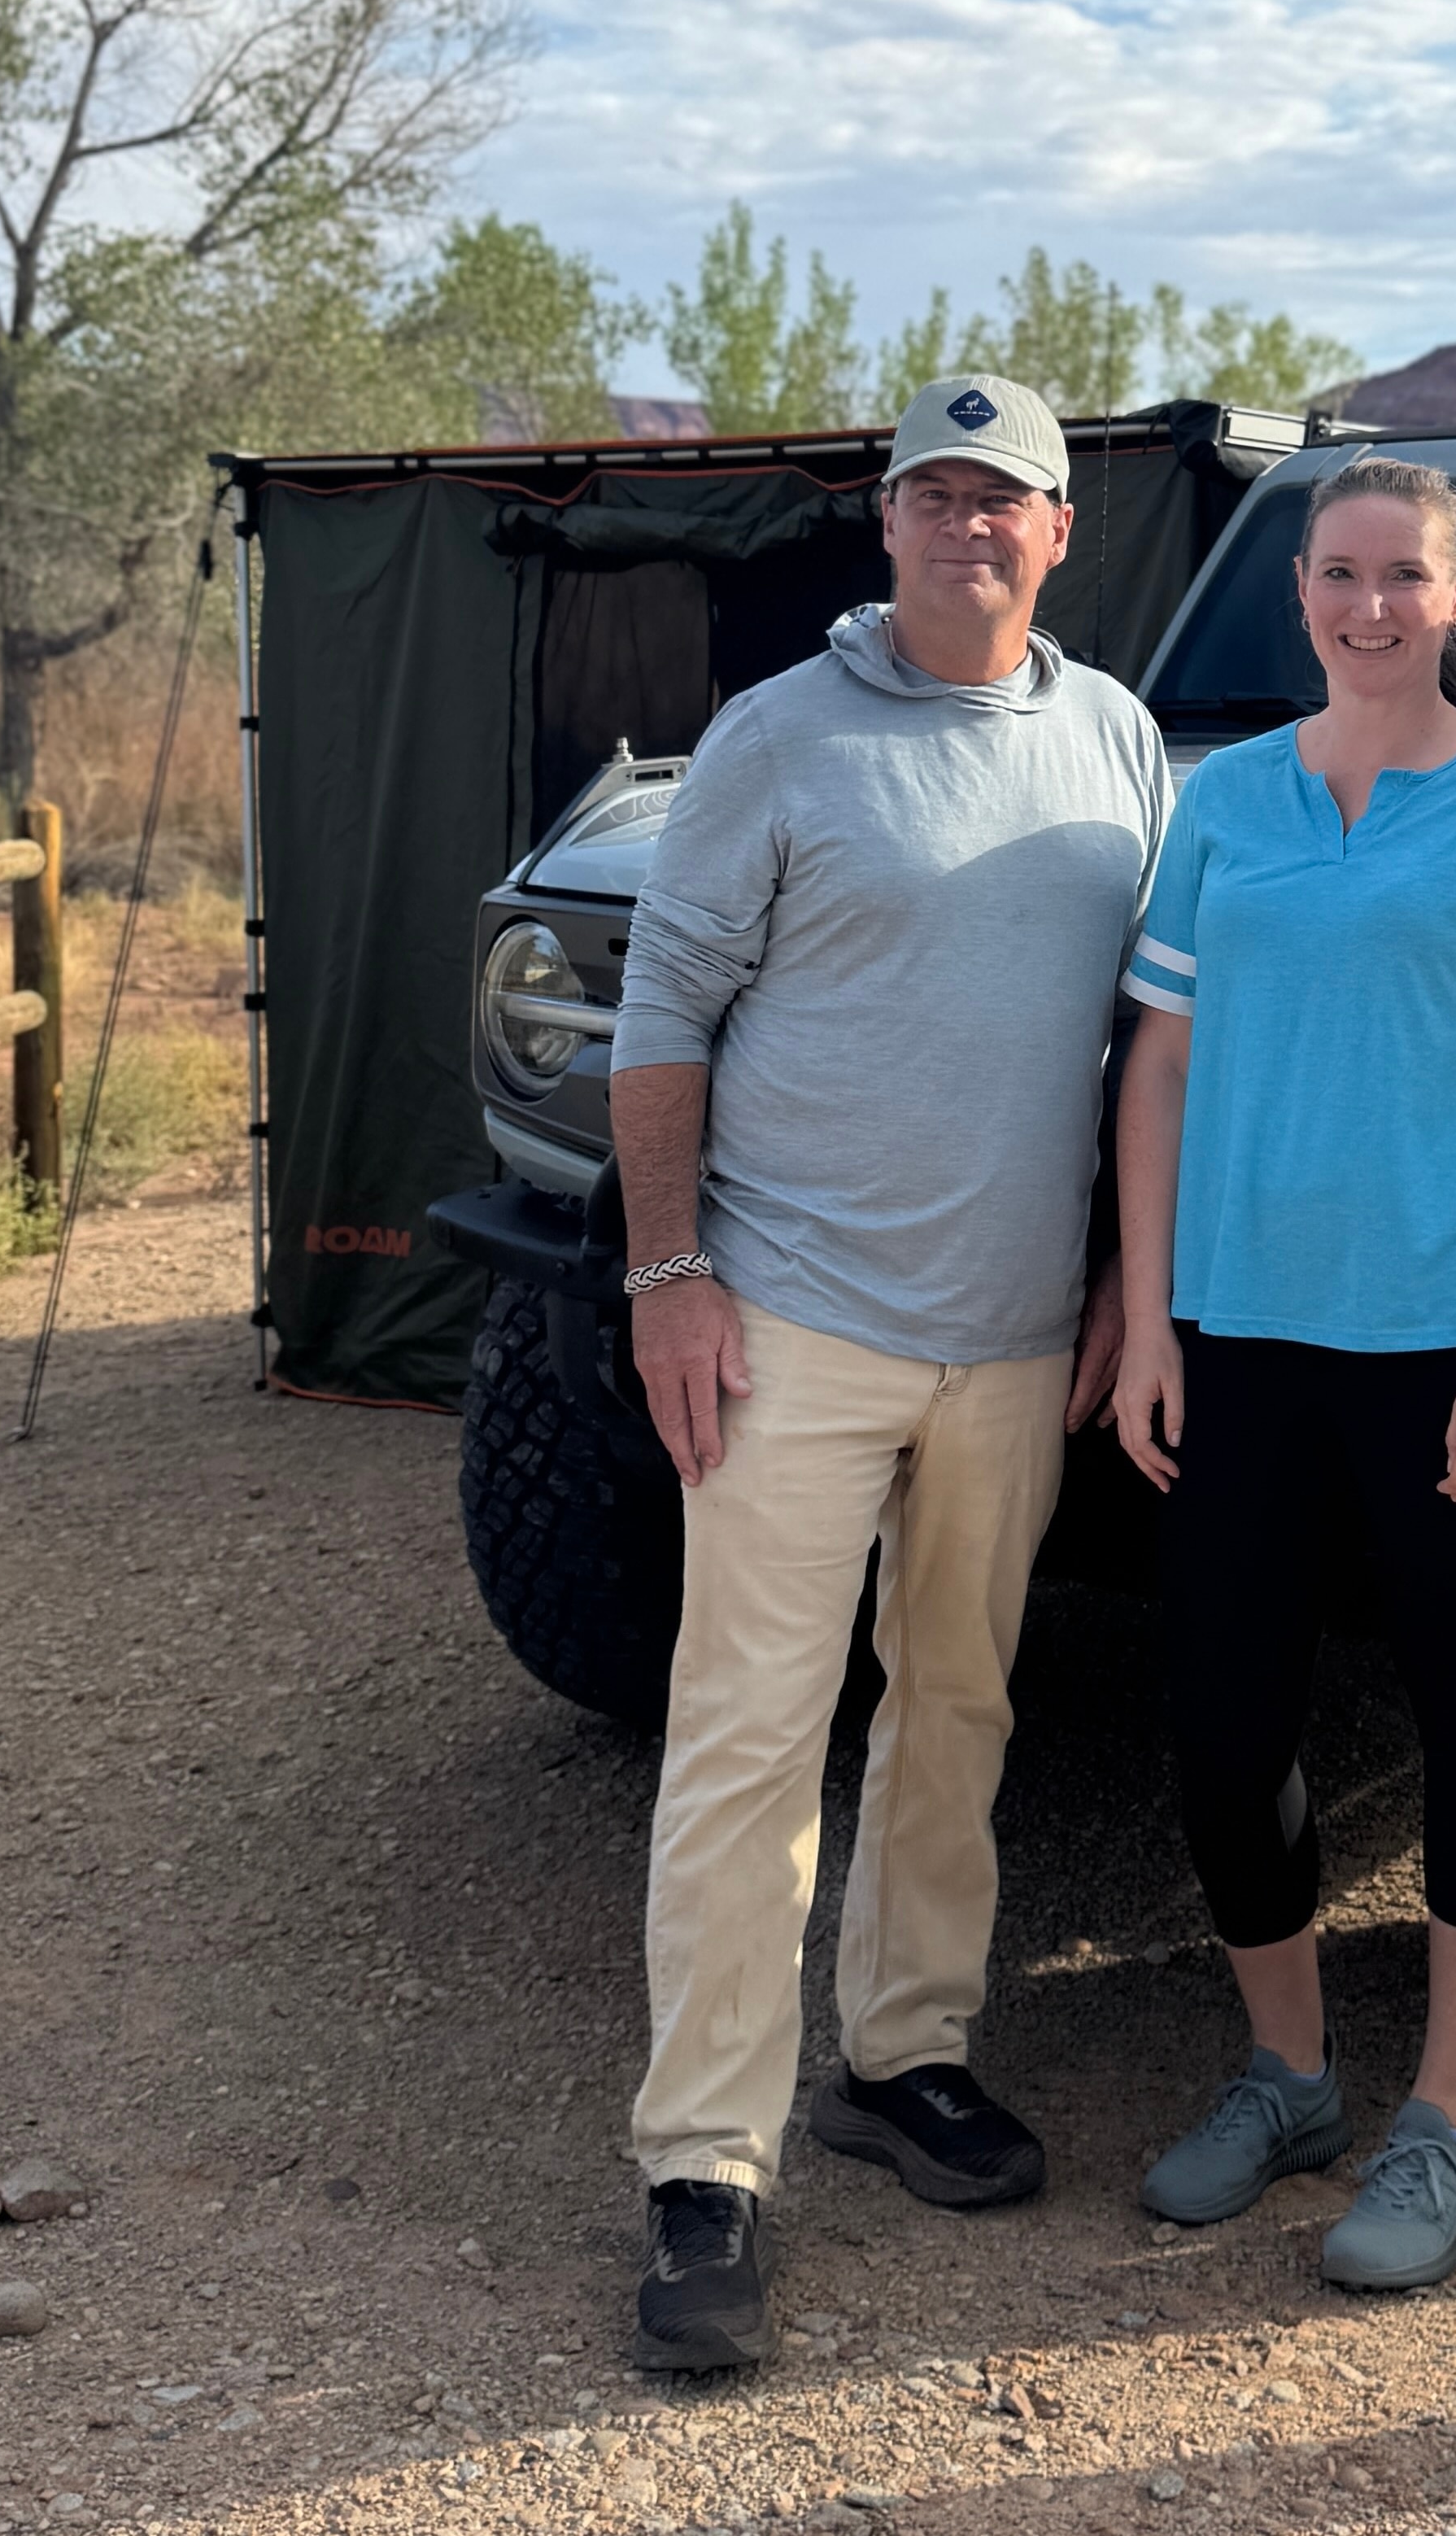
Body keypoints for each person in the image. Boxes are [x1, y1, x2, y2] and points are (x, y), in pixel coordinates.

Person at [607, 372, 1170, 2372]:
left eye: (1002, 497)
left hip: (1014, 1334)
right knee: (749, 1736)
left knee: (959, 1708)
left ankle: (903, 2053)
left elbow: (1143, 1039)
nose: (968, 526)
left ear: (1057, 530)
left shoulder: (1117, 740)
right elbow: (661, 1012)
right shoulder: (778, 737)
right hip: (790, 1320)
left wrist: (1128, 1276)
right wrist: (667, 1272)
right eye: (933, 494)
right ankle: (706, 2168)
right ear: (887, 522)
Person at [1109, 456, 1456, 2293]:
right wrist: (1148, 1315)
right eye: (1340, 574)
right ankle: (1290, 2075)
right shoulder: (1226, 799)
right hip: (1235, 1337)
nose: (1370, 606)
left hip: (1436, 1348)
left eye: (1407, 574)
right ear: (1302, 593)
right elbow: (1154, 1067)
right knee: (1228, 1729)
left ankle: (1450, 2123)